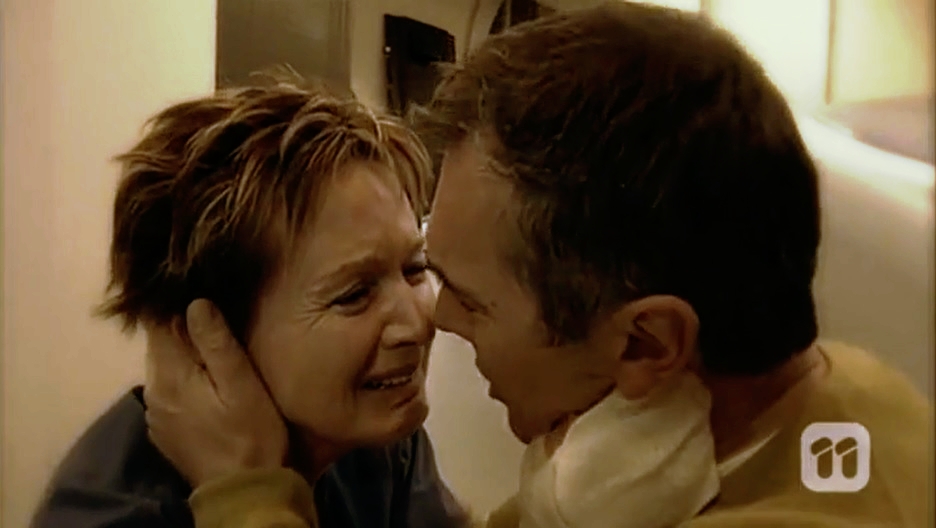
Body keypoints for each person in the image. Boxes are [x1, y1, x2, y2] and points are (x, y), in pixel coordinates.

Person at [142, 3, 932, 528]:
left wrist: (246, 496)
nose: (435, 318)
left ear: (646, 343)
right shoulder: (856, 395)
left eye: (468, 297)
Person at [29, 78, 469, 528]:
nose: (419, 322)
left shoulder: (373, 437)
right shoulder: (110, 517)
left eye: (415, 268)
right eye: (355, 295)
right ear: (206, 337)